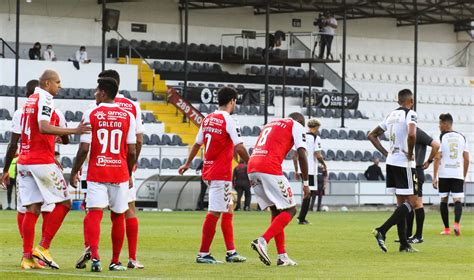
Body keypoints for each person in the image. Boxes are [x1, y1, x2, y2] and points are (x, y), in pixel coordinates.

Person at [15, 70, 90, 269]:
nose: (60, 86)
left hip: (24, 161)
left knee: (32, 209)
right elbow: (44, 126)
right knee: (65, 202)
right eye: (57, 82)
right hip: (42, 160)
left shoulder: (29, 100)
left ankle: (27, 258)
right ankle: (43, 247)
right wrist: (75, 130)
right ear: (47, 83)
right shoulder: (46, 99)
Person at [70, 77, 137, 272]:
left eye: (97, 91)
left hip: (97, 172)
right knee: (117, 216)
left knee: (94, 213)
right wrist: (129, 172)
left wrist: (74, 172)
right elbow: (132, 151)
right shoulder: (128, 116)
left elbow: (83, 149)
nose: (95, 94)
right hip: (120, 173)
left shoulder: (91, 113)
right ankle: (115, 261)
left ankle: (96, 258)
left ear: (104, 93)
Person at [178, 87, 250, 264]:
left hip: (209, 171)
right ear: (232, 101)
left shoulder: (208, 118)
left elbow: (196, 144)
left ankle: (231, 252)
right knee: (215, 212)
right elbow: (239, 147)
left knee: (227, 209)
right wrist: (253, 162)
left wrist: (187, 164)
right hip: (220, 172)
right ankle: (203, 253)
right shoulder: (229, 120)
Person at [248, 112, 310, 266]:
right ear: (301, 122)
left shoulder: (271, 123)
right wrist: (306, 182)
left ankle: (282, 257)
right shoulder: (296, 125)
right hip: (269, 167)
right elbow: (302, 154)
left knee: (277, 211)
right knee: (291, 210)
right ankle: (262, 241)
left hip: (252, 167)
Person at [368, 89, 419, 253]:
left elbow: (371, 135)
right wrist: (410, 154)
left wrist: (386, 153)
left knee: (400, 204)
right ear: (410, 100)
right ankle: (382, 230)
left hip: (391, 162)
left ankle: (404, 244)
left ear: (398, 101)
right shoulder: (410, 114)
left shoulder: (390, 116)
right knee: (412, 203)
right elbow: (412, 135)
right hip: (405, 164)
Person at [433, 113, 469, 236]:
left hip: (444, 173)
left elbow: (437, 157)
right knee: (457, 200)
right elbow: (467, 159)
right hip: (457, 172)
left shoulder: (441, 137)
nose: (439, 126)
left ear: (445, 124)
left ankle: (447, 229)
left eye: (440, 124)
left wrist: (434, 176)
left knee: (444, 200)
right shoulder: (462, 137)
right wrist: (463, 175)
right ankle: (456, 224)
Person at [403, 127, 439, 243]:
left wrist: (429, 161)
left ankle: (419, 235)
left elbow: (436, 145)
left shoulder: (418, 132)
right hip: (408, 171)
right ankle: (408, 235)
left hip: (417, 171)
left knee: (417, 203)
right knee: (408, 203)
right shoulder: (405, 132)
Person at [292, 118, 326, 224]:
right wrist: (324, 164)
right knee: (308, 193)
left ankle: (301, 217)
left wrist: (297, 170)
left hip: (302, 170)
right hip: (310, 170)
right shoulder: (316, 138)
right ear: (316, 127)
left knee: (306, 192)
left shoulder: (301, 136)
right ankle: (301, 218)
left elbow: (294, 156)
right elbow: (318, 155)